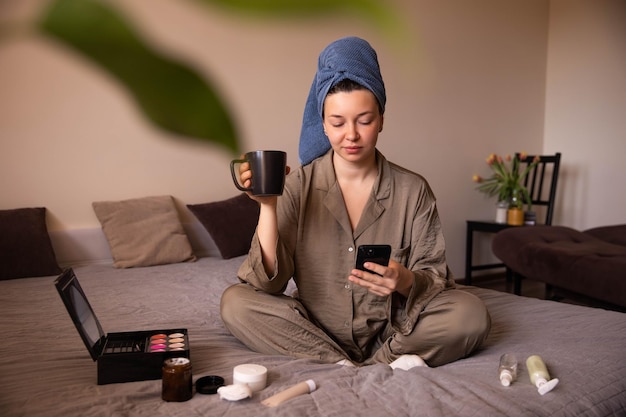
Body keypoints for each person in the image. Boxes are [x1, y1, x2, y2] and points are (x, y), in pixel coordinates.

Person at [220, 36, 490, 369]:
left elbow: (435, 280)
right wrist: (267, 205)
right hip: (314, 332)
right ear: (323, 123)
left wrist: (403, 279)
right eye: (337, 123)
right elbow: (267, 282)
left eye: (364, 121)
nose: (351, 135)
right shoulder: (297, 186)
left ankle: (381, 362)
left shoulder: (413, 190)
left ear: (381, 120)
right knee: (235, 302)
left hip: (393, 333)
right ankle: (338, 361)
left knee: (470, 313)